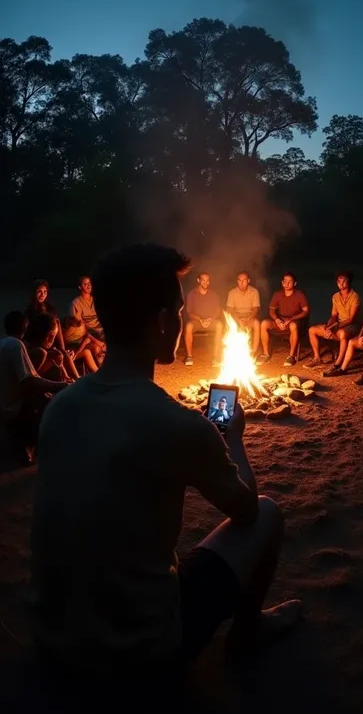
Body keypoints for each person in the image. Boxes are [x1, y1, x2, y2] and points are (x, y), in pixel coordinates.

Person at [29, 244, 301, 689]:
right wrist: (232, 437)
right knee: (268, 512)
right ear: (161, 321)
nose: (178, 319)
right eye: (175, 309)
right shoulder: (177, 423)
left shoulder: (60, 406)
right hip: (138, 652)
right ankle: (247, 633)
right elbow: (246, 510)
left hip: (54, 639)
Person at [0, 311, 70, 463]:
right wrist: (63, 386)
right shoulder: (15, 345)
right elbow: (29, 381)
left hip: (7, 403)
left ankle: (26, 438)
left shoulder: (5, 343)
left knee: (48, 394)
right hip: (12, 408)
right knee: (56, 401)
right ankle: (28, 441)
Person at [303, 271, 360, 371]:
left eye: (344, 281)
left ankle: (338, 363)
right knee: (312, 330)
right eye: (339, 281)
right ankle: (317, 358)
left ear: (349, 282)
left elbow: (351, 319)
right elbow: (334, 315)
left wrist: (335, 327)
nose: (341, 284)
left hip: (351, 326)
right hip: (337, 324)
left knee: (342, 333)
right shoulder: (335, 296)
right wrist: (328, 328)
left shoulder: (355, 296)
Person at [25, 280, 80, 380]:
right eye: (39, 291)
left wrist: (62, 348)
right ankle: (67, 378)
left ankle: (77, 379)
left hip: (53, 343)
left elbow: (56, 329)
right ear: (34, 292)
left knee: (64, 353)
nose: (42, 295)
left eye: (45, 292)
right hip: (39, 344)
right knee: (59, 355)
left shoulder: (50, 309)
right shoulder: (30, 312)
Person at [258, 273, 309, 367]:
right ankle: (265, 354)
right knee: (264, 323)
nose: (287, 284)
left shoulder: (299, 294)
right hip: (280, 320)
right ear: (282, 283)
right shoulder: (277, 294)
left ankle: (291, 356)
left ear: (295, 283)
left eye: (290, 282)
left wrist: (291, 319)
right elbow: (271, 311)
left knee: (293, 325)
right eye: (285, 281)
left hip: (293, 321)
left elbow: (305, 311)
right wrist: (277, 320)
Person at [184, 272, 223, 367]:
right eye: (203, 280)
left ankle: (215, 357)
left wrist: (211, 319)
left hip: (211, 321)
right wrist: (200, 319)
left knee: (220, 325)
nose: (205, 282)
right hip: (197, 322)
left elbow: (218, 311)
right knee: (188, 326)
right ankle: (189, 356)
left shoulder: (213, 295)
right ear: (198, 280)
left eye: (207, 280)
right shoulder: (192, 294)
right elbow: (189, 313)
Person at [25, 313, 73, 382]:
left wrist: (65, 376)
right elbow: (32, 380)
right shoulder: (39, 352)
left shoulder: (29, 345)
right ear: (51, 336)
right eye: (54, 336)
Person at [70, 276, 106, 361]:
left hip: (101, 332)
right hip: (88, 334)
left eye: (89, 283)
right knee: (97, 349)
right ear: (80, 287)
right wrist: (97, 342)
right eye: (85, 284)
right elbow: (80, 328)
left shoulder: (96, 300)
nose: (88, 286)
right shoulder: (76, 303)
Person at [226, 271, 261, 356]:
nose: (241, 283)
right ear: (237, 281)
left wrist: (249, 318)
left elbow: (256, 309)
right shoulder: (232, 292)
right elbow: (229, 309)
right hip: (236, 318)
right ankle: (234, 352)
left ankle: (253, 351)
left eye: (244, 280)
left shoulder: (254, 291)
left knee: (256, 323)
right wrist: (238, 320)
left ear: (248, 280)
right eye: (239, 280)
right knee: (229, 323)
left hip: (250, 317)